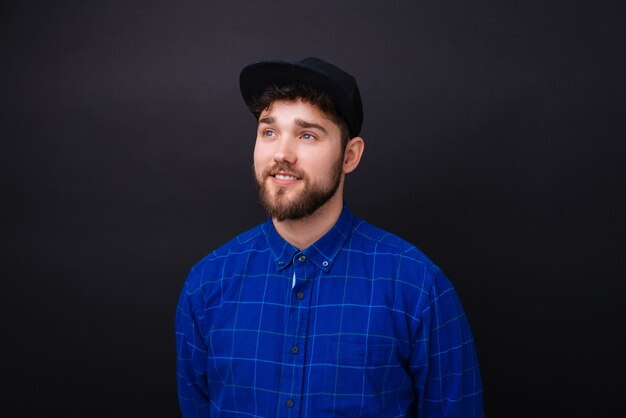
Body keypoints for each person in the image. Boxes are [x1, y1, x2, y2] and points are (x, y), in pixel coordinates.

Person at [175, 57, 485, 417]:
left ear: (350, 155)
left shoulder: (416, 286)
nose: (281, 154)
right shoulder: (206, 284)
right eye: (269, 131)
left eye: (307, 135)